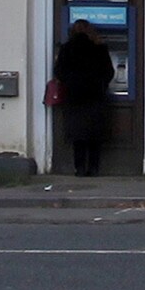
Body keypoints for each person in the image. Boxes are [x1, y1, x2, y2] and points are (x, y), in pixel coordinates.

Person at [53, 19, 117, 177]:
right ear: (90, 31)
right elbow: (109, 72)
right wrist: (100, 84)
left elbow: (59, 71)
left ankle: (79, 168)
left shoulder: (66, 49)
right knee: (95, 135)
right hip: (96, 96)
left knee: (78, 136)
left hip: (74, 97)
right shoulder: (100, 48)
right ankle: (93, 168)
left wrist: (70, 84)